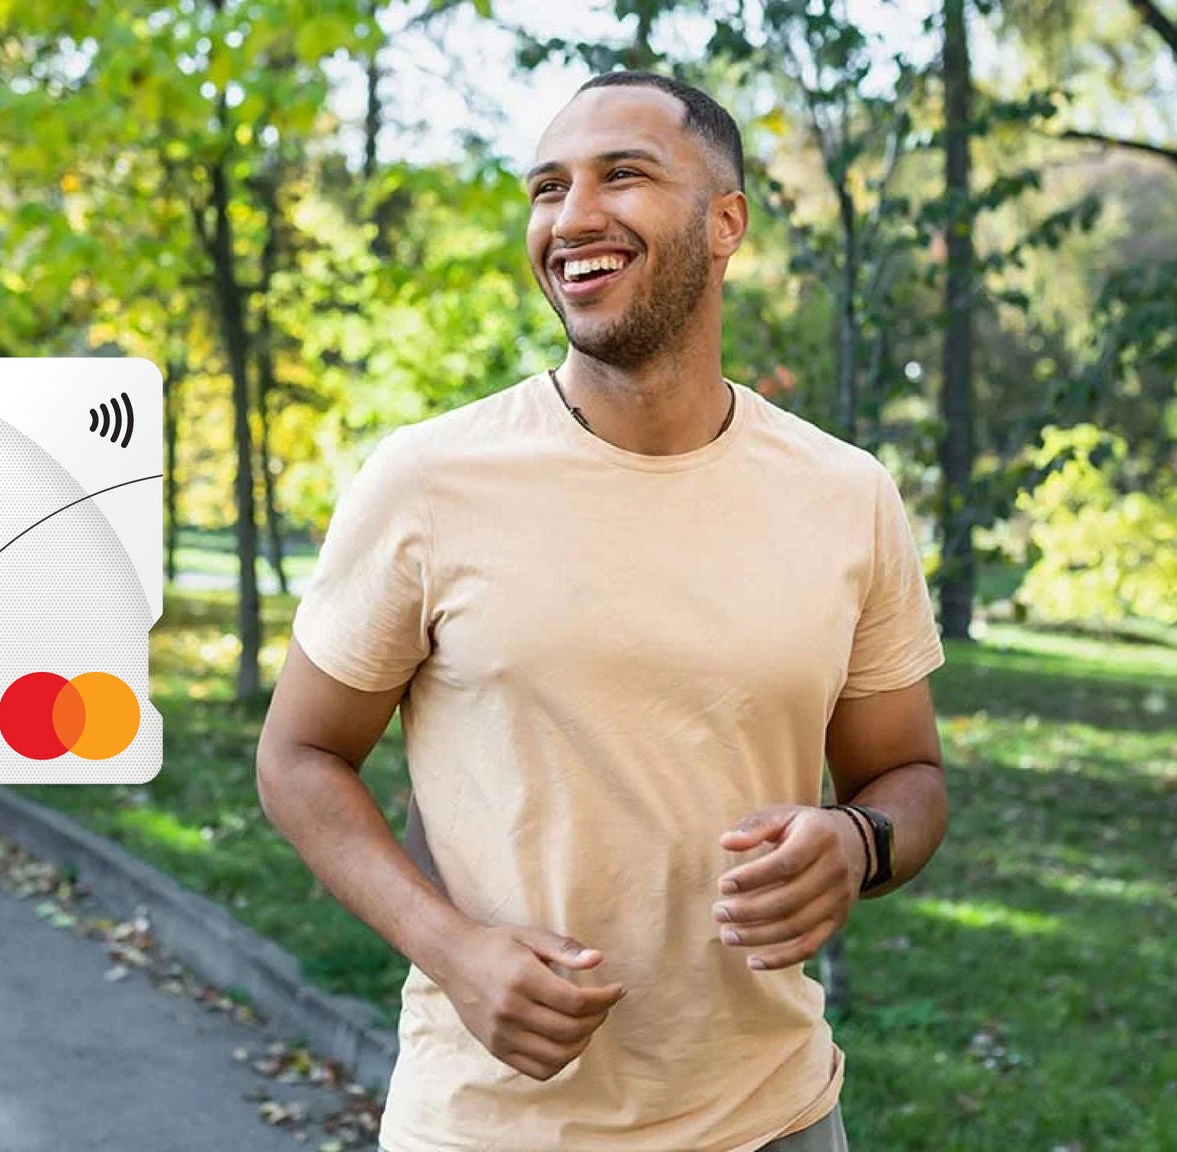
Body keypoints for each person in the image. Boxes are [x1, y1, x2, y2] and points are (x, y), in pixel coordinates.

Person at [255, 71, 949, 1152]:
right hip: (489, 1127)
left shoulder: (845, 493)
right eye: (547, 188)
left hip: (777, 1118)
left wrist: (857, 845)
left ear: (725, 224)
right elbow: (296, 758)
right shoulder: (428, 481)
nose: (571, 217)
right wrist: (452, 950)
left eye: (621, 176)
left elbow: (907, 776)